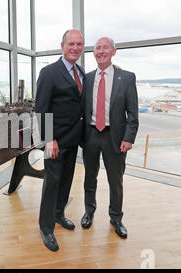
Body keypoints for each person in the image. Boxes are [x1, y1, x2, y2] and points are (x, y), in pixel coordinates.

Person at [80, 37, 139, 239]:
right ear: (94, 53)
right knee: (89, 177)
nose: (101, 51)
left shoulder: (127, 77)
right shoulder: (86, 78)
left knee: (116, 180)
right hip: (91, 135)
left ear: (114, 52)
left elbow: (133, 113)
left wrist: (129, 138)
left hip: (115, 136)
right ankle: (89, 211)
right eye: (97, 48)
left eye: (105, 48)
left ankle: (116, 218)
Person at [35, 29, 85, 251]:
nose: (75, 48)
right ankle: (46, 228)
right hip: (54, 141)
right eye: (71, 44)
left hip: (73, 140)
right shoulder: (49, 72)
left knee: (66, 181)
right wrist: (48, 139)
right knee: (52, 183)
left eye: (80, 44)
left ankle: (58, 215)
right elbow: (41, 108)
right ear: (62, 45)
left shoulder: (81, 72)